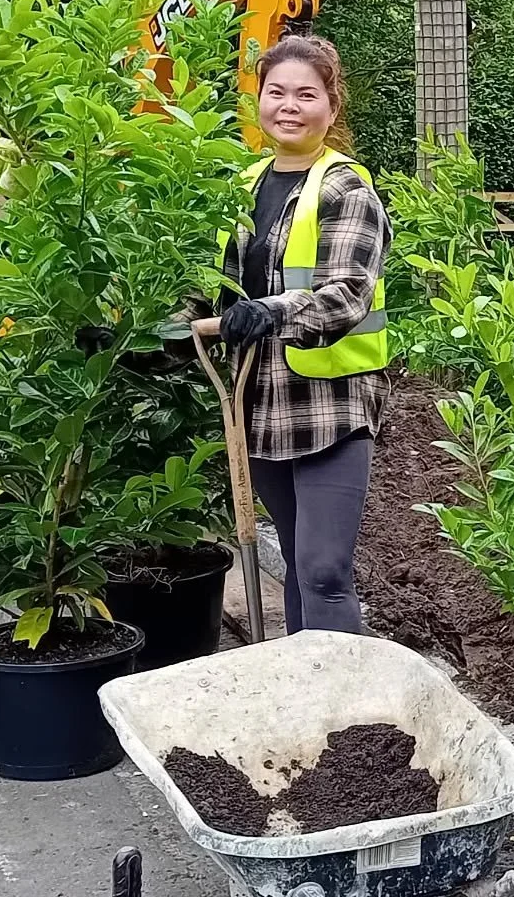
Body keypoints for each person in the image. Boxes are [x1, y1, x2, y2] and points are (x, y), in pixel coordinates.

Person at [216, 34, 392, 636]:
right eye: (276, 92)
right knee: (295, 562)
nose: (289, 106)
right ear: (259, 99)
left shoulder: (345, 189)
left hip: (330, 403)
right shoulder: (242, 185)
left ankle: (351, 693)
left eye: (306, 95)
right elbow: (213, 290)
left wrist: (269, 312)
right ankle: (305, 679)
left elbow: (349, 292)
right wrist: (147, 340)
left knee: (324, 570)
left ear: (331, 107)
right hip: (259, 401)